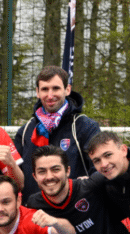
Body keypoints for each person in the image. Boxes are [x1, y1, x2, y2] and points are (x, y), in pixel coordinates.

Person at [15, 65, 101, 199]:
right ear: (37, 92)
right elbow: (16, 177)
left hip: (74, 210)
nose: (50, 95)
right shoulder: (25, 131)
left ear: (67, 89)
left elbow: (100, 170)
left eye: (55, 88)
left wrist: (85, 186)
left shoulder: (85, 126)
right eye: (45, 89)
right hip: (35, 211)